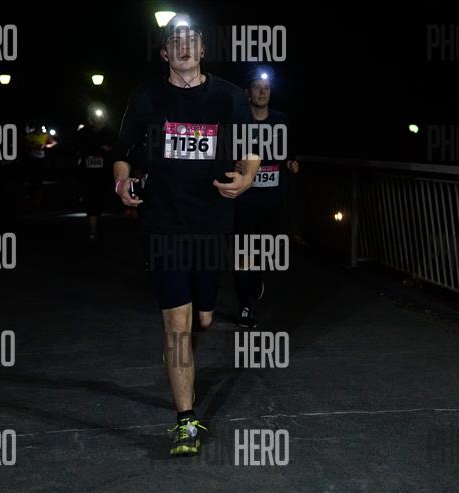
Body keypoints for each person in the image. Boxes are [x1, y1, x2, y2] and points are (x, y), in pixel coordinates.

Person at [112, 14, 259, 456]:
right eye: (175, 41)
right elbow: (122, 153)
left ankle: (182, 353)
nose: (184, 46)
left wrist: (246, 179)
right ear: (164, 53)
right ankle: (186, 421)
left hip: (211, 222)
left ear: (202, 49)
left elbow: (251, 150)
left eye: (191, 39)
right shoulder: (145, 98)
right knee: (177, 324)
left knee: (203, 320)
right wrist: (121, 183)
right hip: (163, 223)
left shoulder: (229, 97)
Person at [234, 67, 299, 328]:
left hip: (273, 201)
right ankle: (244, 307)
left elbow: (290, 152)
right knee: (243, 253)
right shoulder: (238, 122)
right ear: (247, 93)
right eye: (257, 87)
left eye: (266, 88)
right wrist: (232, 163)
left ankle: (256, 276)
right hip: (245, 200)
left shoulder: (281, 120)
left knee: (262, 251)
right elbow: (225, 151)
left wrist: (292, 162)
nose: (262, 92)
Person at [76, 107, 117, 241]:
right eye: (94, 119)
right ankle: (93, 230)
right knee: (91, 201)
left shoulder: (110, 133)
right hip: (88, 174)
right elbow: (76, 147)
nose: (97, 122)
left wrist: (109, 149)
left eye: (100, 119)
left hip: (104, 174)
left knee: (102, 200)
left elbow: (118, 147)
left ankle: (101, 227)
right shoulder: (83, 132)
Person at [22, 121, 57, 210]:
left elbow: (54, 142)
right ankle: (31, 200)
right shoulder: (30, 135)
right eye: (37, 128)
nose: (38, 130)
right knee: (32, 181)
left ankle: (38, 203)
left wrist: (46, 145)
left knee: (39, 181)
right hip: (32, 160)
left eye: (39, 128)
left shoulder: (44, 135)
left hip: (41, 160)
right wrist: (33, 145)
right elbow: (25, 144)